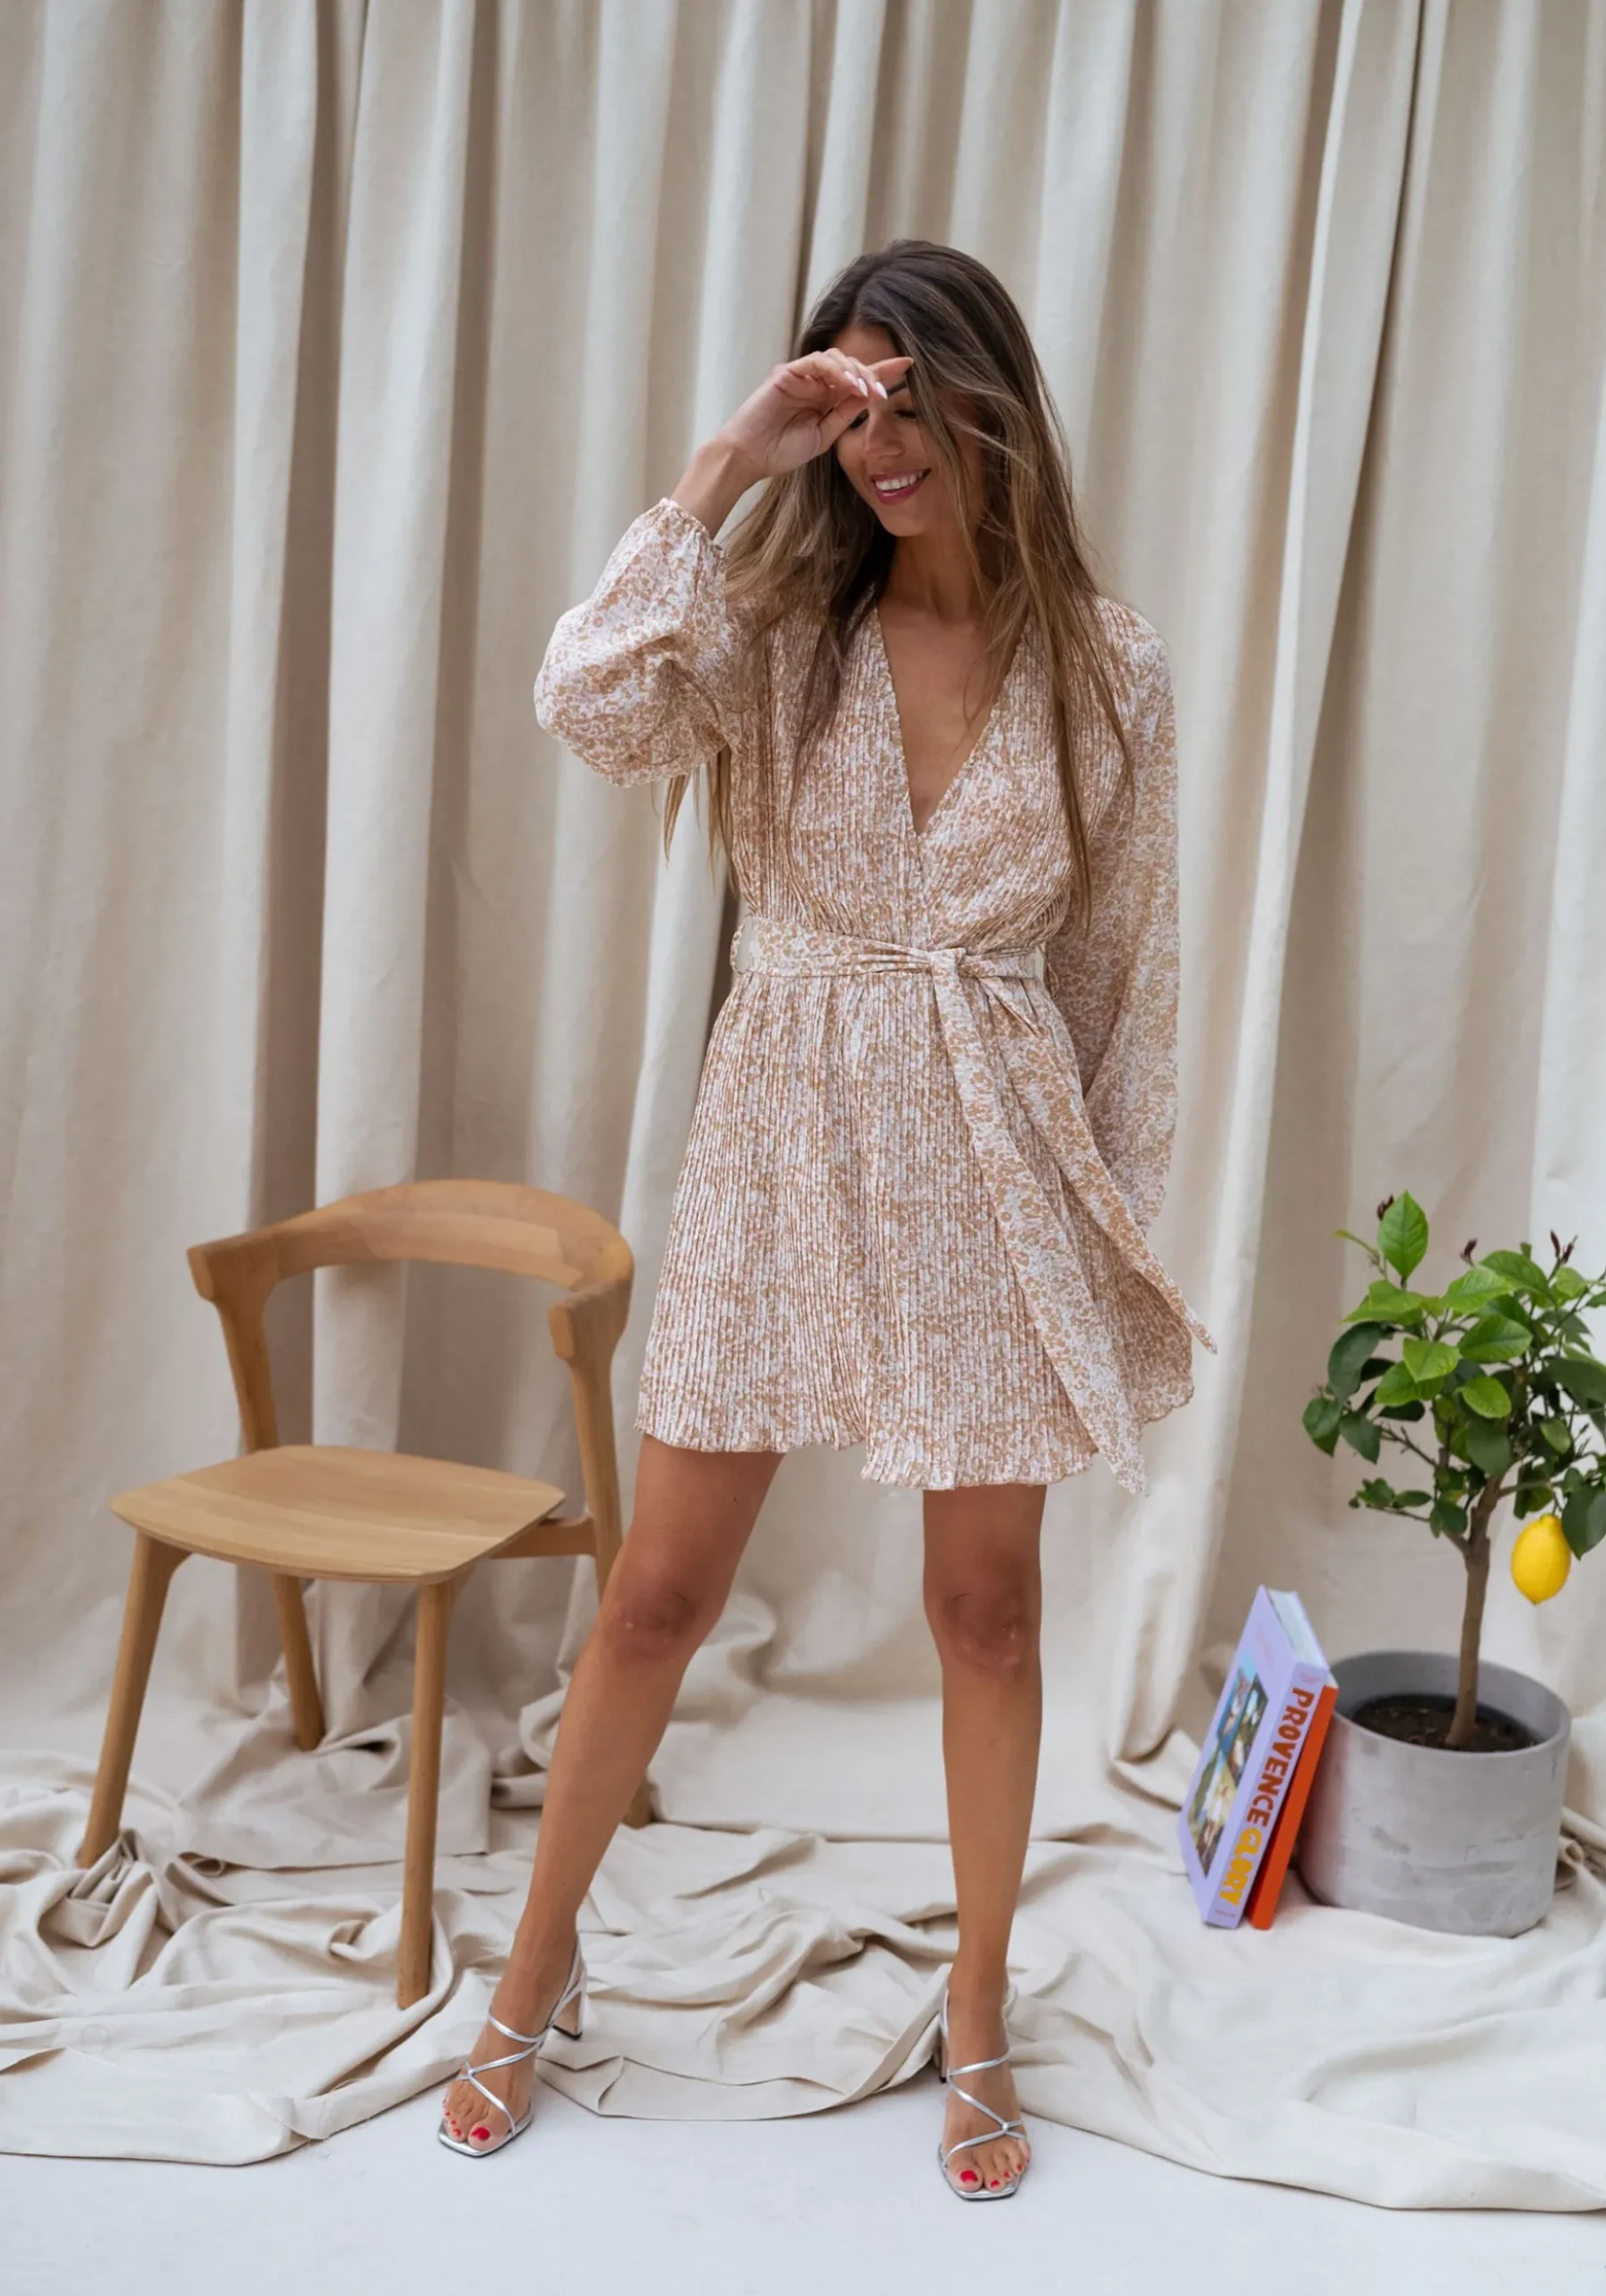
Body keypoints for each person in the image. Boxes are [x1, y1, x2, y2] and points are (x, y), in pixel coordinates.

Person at [439, 239, 1210, 2199]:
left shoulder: (1109, 667)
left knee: (985, 1611)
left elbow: (1121, 984)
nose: (881, 444)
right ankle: (531, 1972)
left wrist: (1102, 1243)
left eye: (912, 398)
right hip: (778, 1138)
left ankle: (979, 2005)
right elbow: (583, 704)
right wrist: (723, 465)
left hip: (992, 1162)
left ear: (994, 401)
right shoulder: (777, 630)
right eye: (848, 406)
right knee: (655, 1595)